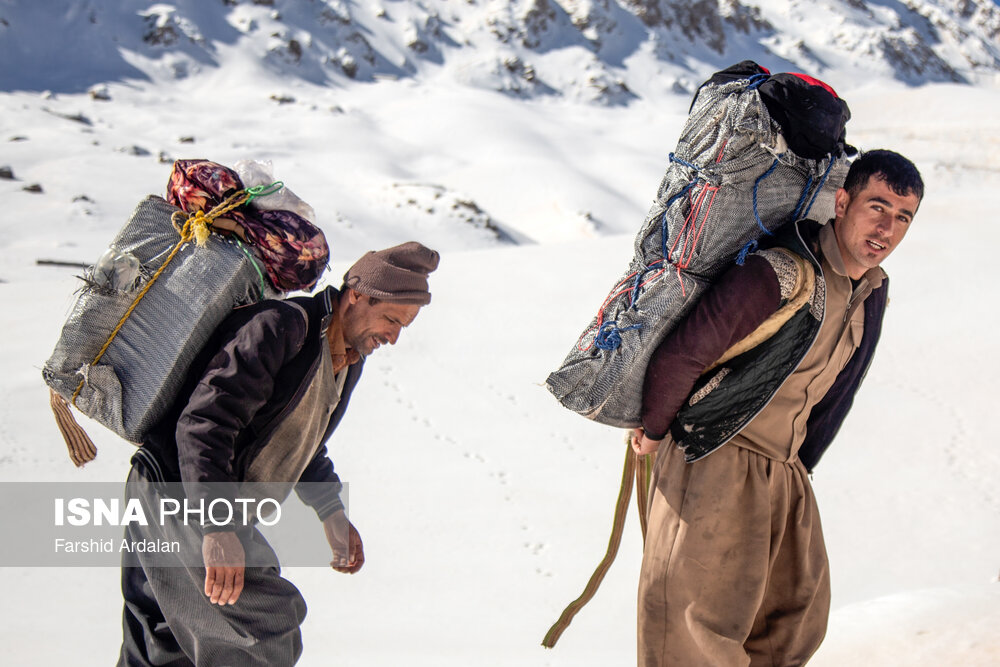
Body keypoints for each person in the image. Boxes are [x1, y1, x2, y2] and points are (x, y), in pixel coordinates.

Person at [631, 150, 923, 666]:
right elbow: (686, 351)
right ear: (842, 201)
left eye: (903, 216)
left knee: (794, 621)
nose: (887, 227)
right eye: (877, 206)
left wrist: (799, 470)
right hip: (715, 455)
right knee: (695, 629)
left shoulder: (871, 293)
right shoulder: (783, 271)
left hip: (784, 473)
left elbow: (840, 393)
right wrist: (655, 431)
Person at [117, 241, 440, 666]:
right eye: (391, 319)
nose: (394, 337)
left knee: (163, 645)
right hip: (178, 493)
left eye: (404, 327)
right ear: (357, 295)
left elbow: (303, 441)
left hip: (191, 501)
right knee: (264, 627)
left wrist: (332, 513)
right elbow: (205, 423)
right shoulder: (281, 328)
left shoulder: (347, 359)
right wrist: (217, 527)